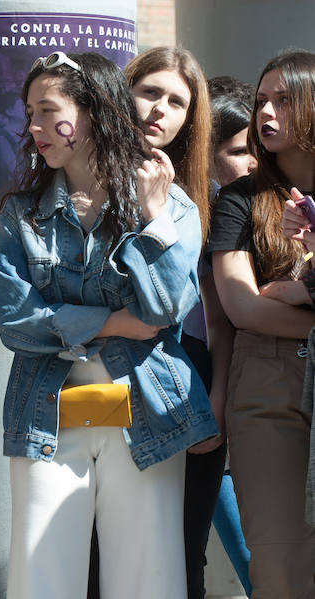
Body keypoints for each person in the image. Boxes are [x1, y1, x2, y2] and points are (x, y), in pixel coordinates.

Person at [0, 51, 217, 599]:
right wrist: (113, 322)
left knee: (148, 581)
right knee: (39, 579)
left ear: (93, 112)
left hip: (147, 407)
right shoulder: (21, 214)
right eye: (30, 113)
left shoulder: (172, 206)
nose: (34, 126)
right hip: (47, 412)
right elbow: (15, 323)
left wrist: (153, 219)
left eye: (48, 111)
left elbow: (163, 309)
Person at [124, 46, 232, 599]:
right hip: (110, 376)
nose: (159, 110)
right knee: (107, 556)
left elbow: (218, 314)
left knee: (183, 553)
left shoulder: (203, 197)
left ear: (191, 118)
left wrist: (217, 398)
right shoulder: (84, 182)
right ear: (124, 91)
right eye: (150, 92)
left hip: (187, 375)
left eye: (176, 102)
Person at [211, 50, 315, 597]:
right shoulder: (239, 200)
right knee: (277, 564)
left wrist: (302, 293)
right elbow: (243, 307)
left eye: (285, 100)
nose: (267, 113)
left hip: (282, 347)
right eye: (261, 101)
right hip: (268, 382)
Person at [206, 75, 256, 597]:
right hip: (214, 414)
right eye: (239, 151)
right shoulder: (199, 221)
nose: (255, 162)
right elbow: (223, 320)